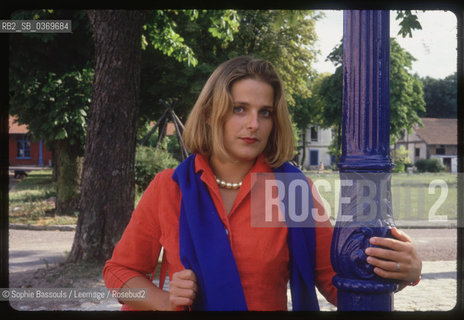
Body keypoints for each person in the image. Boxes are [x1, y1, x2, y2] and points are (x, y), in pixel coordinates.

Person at [103, 56, 422, 311]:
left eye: (265, 112)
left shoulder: (291, 191)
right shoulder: (168, 187)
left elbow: (336, 283)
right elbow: (118, 274)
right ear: (212, 113)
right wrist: (163, 300)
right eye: (239, 109)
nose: (254, 124)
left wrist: (401, 270)